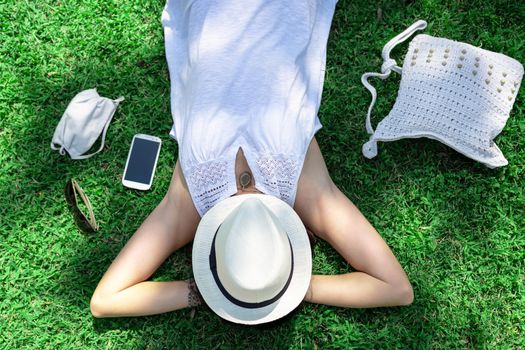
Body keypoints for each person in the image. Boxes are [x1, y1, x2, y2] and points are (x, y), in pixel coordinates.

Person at [90, 0, 413, 321]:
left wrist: (292, 287)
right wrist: (212, 287)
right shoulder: (191, 203)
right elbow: (106, 300)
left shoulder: (301, 189)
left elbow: (395, 288)